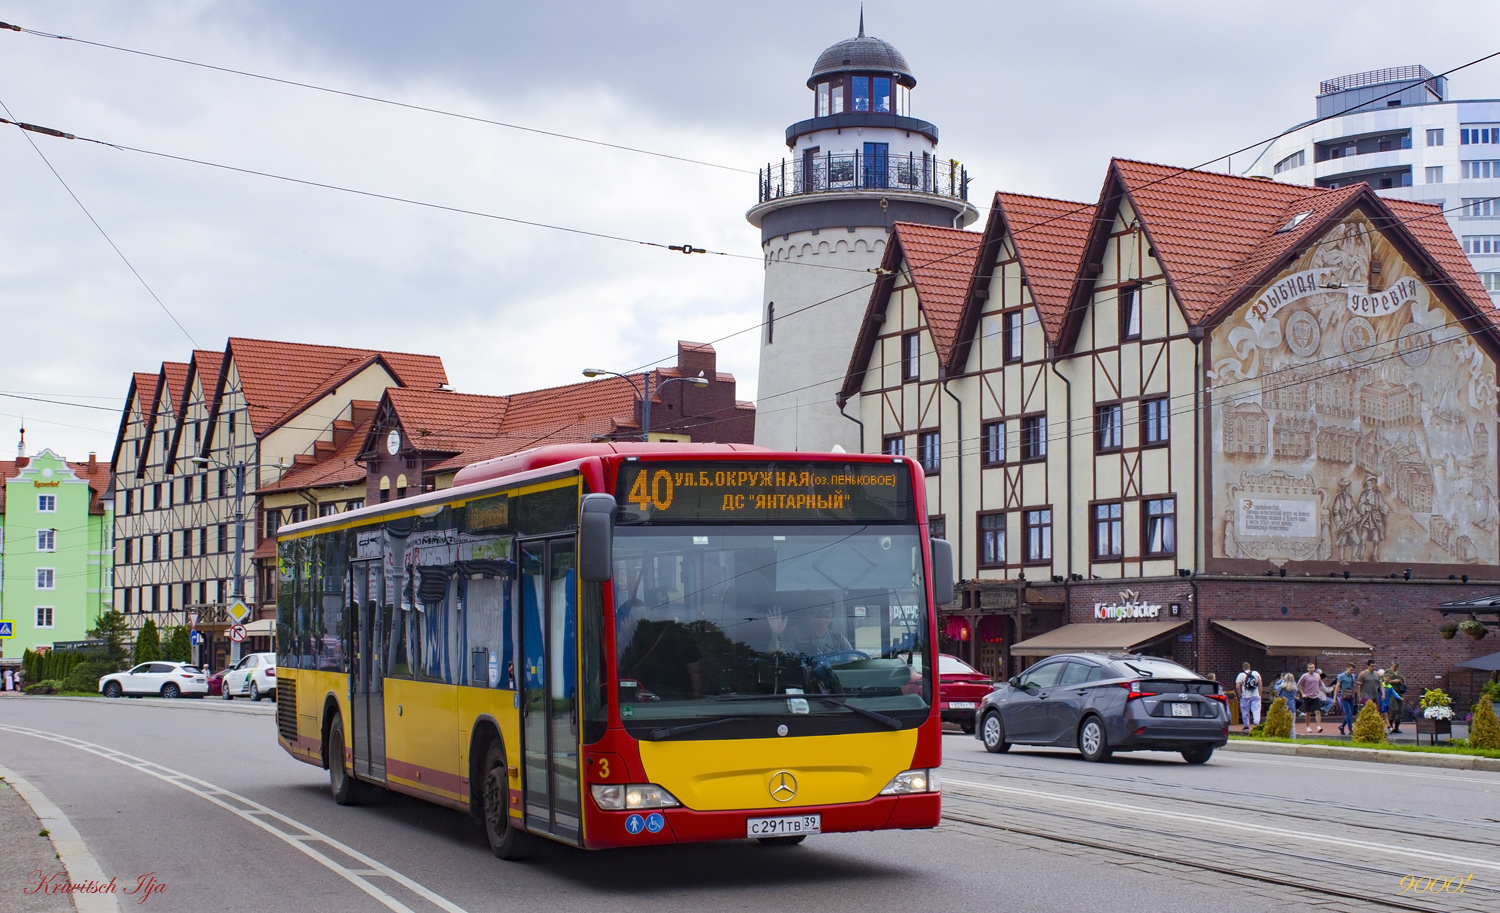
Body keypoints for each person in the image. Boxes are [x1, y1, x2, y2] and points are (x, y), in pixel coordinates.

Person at [1297, 662, 1325, 734]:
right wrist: (1303, 693)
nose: (1311, 669)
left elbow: (1319, 685)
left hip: (1316, 696)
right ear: (1307, 669)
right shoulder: (1304, 676)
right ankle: (1307, 727)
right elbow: (1299, 685)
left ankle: (1319, 726)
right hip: (1308, 696)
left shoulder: (1317, 676)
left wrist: (1319, 692)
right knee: (1308, 712)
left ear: (1314, 668)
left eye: (1313, 667)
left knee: (1318, 711)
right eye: (1310, 668)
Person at [1235, 662, 1263, 732]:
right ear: (1249, 667)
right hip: (1255, 695)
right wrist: (1259, 694)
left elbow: (1237, 686)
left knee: (1245, 711)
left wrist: (1239, 694)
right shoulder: (1256, 673)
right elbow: (1260, 684)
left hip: (1245, 696)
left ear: (1243, 668)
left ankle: (1246, 726)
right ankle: (1256, 724)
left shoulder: (1240, 675)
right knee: (1256, 710)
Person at [1335, 663, 1358, 735]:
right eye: (1351, 670)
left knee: (1350, 714)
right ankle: (1351, 729)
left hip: (1351, 696)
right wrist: (1335, 698)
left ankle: (1342, 726)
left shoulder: (1352, 676)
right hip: (1344, 696)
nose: (1351, 671)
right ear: (1347, 668)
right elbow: (1337, 686)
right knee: (1348, 713)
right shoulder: (1341, 676)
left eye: (1353, 670)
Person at [1385, 662, 1406, 734]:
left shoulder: (1399, 673)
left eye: (1397, 666)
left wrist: (1400, 681)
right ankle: (1390, 725)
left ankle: (1396, 727)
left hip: (1399, 692)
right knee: (1394, 709)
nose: (1396, 667)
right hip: (1391, 692)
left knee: (1400, 710)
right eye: (1395, 666)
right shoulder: (1387, 672)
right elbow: (1384, 681)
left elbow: (1403, 680)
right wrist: (1394, 681)